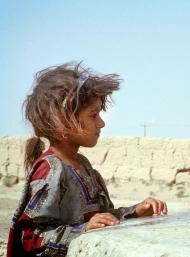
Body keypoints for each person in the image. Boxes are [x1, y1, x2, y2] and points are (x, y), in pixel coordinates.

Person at [7, 63, 168, 257]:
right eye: (93, 115)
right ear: (62, 122)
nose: (101, 122)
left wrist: (135, 211)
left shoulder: (83, 165)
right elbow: (30, 237)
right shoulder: (51, 170)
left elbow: (103, 218)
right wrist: (82, 230)